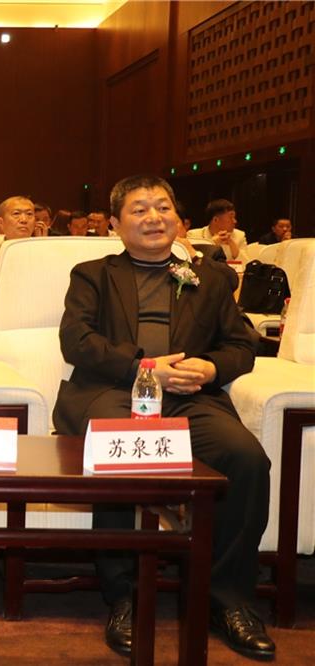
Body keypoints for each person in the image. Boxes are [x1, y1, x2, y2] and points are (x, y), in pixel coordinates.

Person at [52, 175, 274, 661]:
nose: (153, 217)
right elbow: (78, 341)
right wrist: (145, 368)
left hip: (189, 397)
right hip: (115, 391)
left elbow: (242, 344)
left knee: (245, 459)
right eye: (139, 209)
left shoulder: (209, 278)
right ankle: (125, 596)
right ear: (115, 224)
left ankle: (227, 599)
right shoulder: (92, 275)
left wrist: (211, 367)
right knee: (118, 450)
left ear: (179, 219)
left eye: (163, 207)